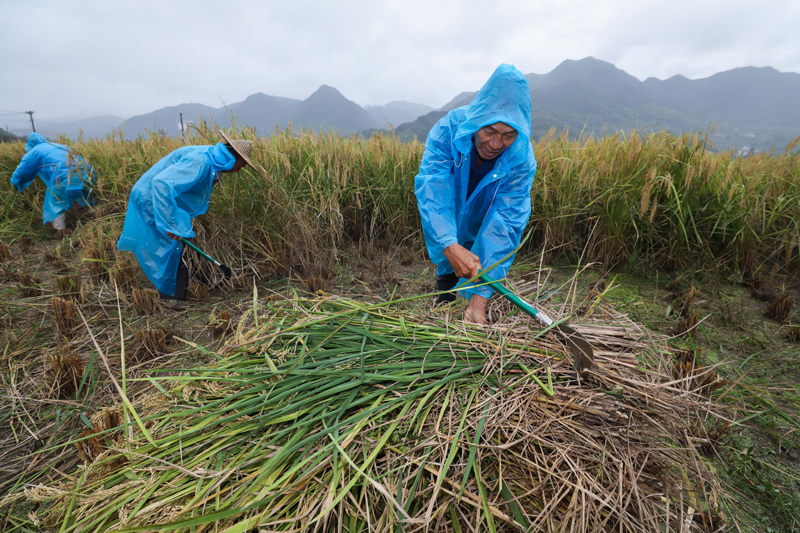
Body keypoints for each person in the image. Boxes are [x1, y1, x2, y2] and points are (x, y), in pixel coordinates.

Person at [414, 64, 537, 325]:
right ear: (477, 121)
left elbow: (505, 226)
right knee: (452, 253)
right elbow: (434, 192)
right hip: (452, 205)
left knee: (479, 251)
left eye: (508, 135)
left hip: (485, 213)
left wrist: (478, 302)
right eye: (489, 131)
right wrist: (449, 243)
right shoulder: (448, 130)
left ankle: (472, 304)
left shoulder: (521, 160)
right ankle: (443, 301)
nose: (495, 144)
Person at [117, 132, 254, 304]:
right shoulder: (201, 161)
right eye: (242, 165)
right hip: (152, 199)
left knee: (181, 242)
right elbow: (162, 184)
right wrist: (170, 224)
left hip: (160, 199)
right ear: (235, 157)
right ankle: (172, 298)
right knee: (171, 248)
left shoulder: (214, 160)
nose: (240, 170)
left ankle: (202, 282)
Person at [10, 132, 96, 235]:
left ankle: (60, 230)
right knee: (89, 194)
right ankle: (98, 219)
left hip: (64, 175)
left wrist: (14, 183)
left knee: (56, 200)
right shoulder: (58, 146)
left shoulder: (34, 152)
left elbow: (21, 172)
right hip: (87, 171)